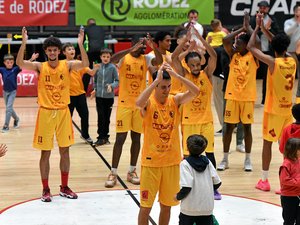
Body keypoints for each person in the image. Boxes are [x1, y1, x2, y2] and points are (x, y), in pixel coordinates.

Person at [16, 27, 89, 202]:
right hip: (46, 113)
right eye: (49, 50)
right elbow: (20, 63)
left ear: (59, 51)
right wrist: (24, 42)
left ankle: (64, 187)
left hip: (63, 112)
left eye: (55, 50)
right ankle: (45, 189)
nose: (52, 52)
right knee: (45, 153)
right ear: (46, 52)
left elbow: (85, 64)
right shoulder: (40, 67)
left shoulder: (68, 65)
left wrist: (80, 44)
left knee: (65, 151)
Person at [136, 62, 200, 225]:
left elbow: (196, 91)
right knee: (145, 207)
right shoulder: (149, 103)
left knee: (167, 206)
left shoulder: (175, 100)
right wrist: (153, 83)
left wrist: (178, 76)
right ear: (156, 86)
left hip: (172, 163)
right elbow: (138, 103)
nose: (167, 90)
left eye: (169, 86)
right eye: (163, 87)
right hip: (151, 164)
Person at [103, 34, 162, 188]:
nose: (144, 47)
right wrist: (130, 49)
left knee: (136, 139)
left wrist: (153, 45)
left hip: (139, 105)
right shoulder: (125, 58)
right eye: (142, 45)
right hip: (124, 104)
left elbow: (159, 61)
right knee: (120, 139)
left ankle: (132, 171)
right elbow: (113, 59)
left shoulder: (146, 59)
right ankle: (113, 172)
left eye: (145, 45)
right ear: (134, 44)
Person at [172, 26, 222, 200]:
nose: (195, 67)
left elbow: (214, 56)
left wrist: (200, 39)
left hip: (206, 120)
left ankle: (213, 186)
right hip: (188, 121)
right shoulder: (183, 74)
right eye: (191, 65)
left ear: (201, 63)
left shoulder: (206, 73)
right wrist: (186, 41)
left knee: (209, 154)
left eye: (197, 64)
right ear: (188, 64)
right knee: (187, 156)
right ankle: (188, 184)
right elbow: (174, 58)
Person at [248, 13, 297, 191]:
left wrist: (256, 29)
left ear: (273, 47)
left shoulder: (272, 62)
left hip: (273, 110)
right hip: (287, 111)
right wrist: (264, 30)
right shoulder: (293, 60)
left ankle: (264, 180)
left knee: (267, 144)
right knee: (288, 147)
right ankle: (290, 179)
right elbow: (279, 42)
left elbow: (250, 47)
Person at [217, 12, 259, 172]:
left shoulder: (253, 56)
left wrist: (249, 28)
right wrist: (242, 28)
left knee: (247, 129)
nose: (235, 44)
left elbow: (257, 42)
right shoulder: (232, 55)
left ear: (246, 45)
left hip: (247, 98)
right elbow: (225, 40)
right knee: (228, 128)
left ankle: (248, 159)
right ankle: (225, 158)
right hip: (232, 97)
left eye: (239, 43)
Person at [175, 134, 221, 225]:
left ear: (187, 148)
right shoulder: (208, 162)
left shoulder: (185, 164)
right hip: (206, 208)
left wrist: (177, 197)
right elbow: (217, 183)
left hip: (189, 208)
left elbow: (187, 187)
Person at [62, 42, 95, 145]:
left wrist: (98, 67)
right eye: (69, 49)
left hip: (80, 94)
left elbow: (92, 73)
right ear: (64, 52)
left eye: (73, 49)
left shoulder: (79, 63)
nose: (72, 51)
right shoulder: (61, 64)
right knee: (67, 118)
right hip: (67, 95)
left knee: (85, 115)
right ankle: (67, 136)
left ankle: (85, 135)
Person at [250, 0, 280, 105]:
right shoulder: (253, 19)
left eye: (265, 7)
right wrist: (262, 29)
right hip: (255, 51)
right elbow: (250, 32)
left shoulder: (272, 20)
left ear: (268, 9)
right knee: (250, 75)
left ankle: (264, 100)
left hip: (268, 52)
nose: (263, 9)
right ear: (258, 8)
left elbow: (277, 34)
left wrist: (269, 29)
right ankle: (249, 99)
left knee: (267, 76)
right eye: (261, 7)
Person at [206, 19, 228, 135]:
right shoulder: (227, 48)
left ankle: (224, 126)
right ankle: (229, 125)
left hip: (219, 77)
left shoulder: (215, 50)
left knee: (219, 101)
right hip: (227, 77)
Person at [93, 48, 119, 146]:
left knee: (107, 118)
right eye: (104, 56)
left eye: (108, 57)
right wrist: (95, 89)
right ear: (100, 57)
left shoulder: (112, 68)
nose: (106, 58)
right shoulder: (97, 67)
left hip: (109, 97)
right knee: (100, 117)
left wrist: (111, 86)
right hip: (99, 97)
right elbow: (95, 81)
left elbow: (117, 81)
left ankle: (105, 137)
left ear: (110, 58)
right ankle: (100, 137)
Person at [279, 138, 300, 225]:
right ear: (293, 151)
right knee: (289, 221)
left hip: (298, 195)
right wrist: (298, 182)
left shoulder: (298, 161)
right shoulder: (286, 164)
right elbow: (284, 180)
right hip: (289, 198)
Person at [83, 18, 105, 92]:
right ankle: (102, 89)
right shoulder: (101, 29)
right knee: (102, 70)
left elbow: (83, 41)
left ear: (88, 23)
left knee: (88, 70)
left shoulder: (86, 29)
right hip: (101, 52)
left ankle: (84, 90)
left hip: (91, 51)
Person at [0, 54, 21, 133]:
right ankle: (17, 119)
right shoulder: (2, 70)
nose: (10, 64)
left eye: (11, 62)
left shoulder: (15, 69)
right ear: (4, 63)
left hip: (13, 91)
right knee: (10, 109)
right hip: (5, 92)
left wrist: (31, 59)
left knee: (8, 109)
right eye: (8, 62)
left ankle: (6, 126)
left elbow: (23, 64)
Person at [284, 4, 300, 105]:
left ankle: (298, 98)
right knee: (290, 76)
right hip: (290, 52)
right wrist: (297, 22)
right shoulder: (289, 22)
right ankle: (286, 98)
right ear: (295, 12)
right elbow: (287, 32)